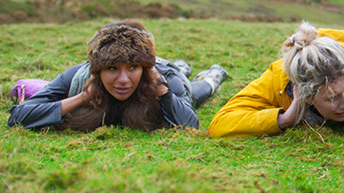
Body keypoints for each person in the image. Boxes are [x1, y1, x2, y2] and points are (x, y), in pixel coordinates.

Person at [207, 21, 344, 143]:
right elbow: (220, 124)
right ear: (306, 95)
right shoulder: (279, 79)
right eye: (332, 98)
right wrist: (284, 118)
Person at [7, 20, 228, 131]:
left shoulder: (162, 80)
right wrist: (82, 98)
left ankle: (213, 75)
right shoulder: (78, 76)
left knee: (199, 91)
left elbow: (190, 124)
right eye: (112, 69)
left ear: (143, 68)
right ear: (97, 70)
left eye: (132, 67)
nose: (123, 80)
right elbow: (18, 116)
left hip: (167, 74)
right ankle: (183, 65)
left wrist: (162, 92)